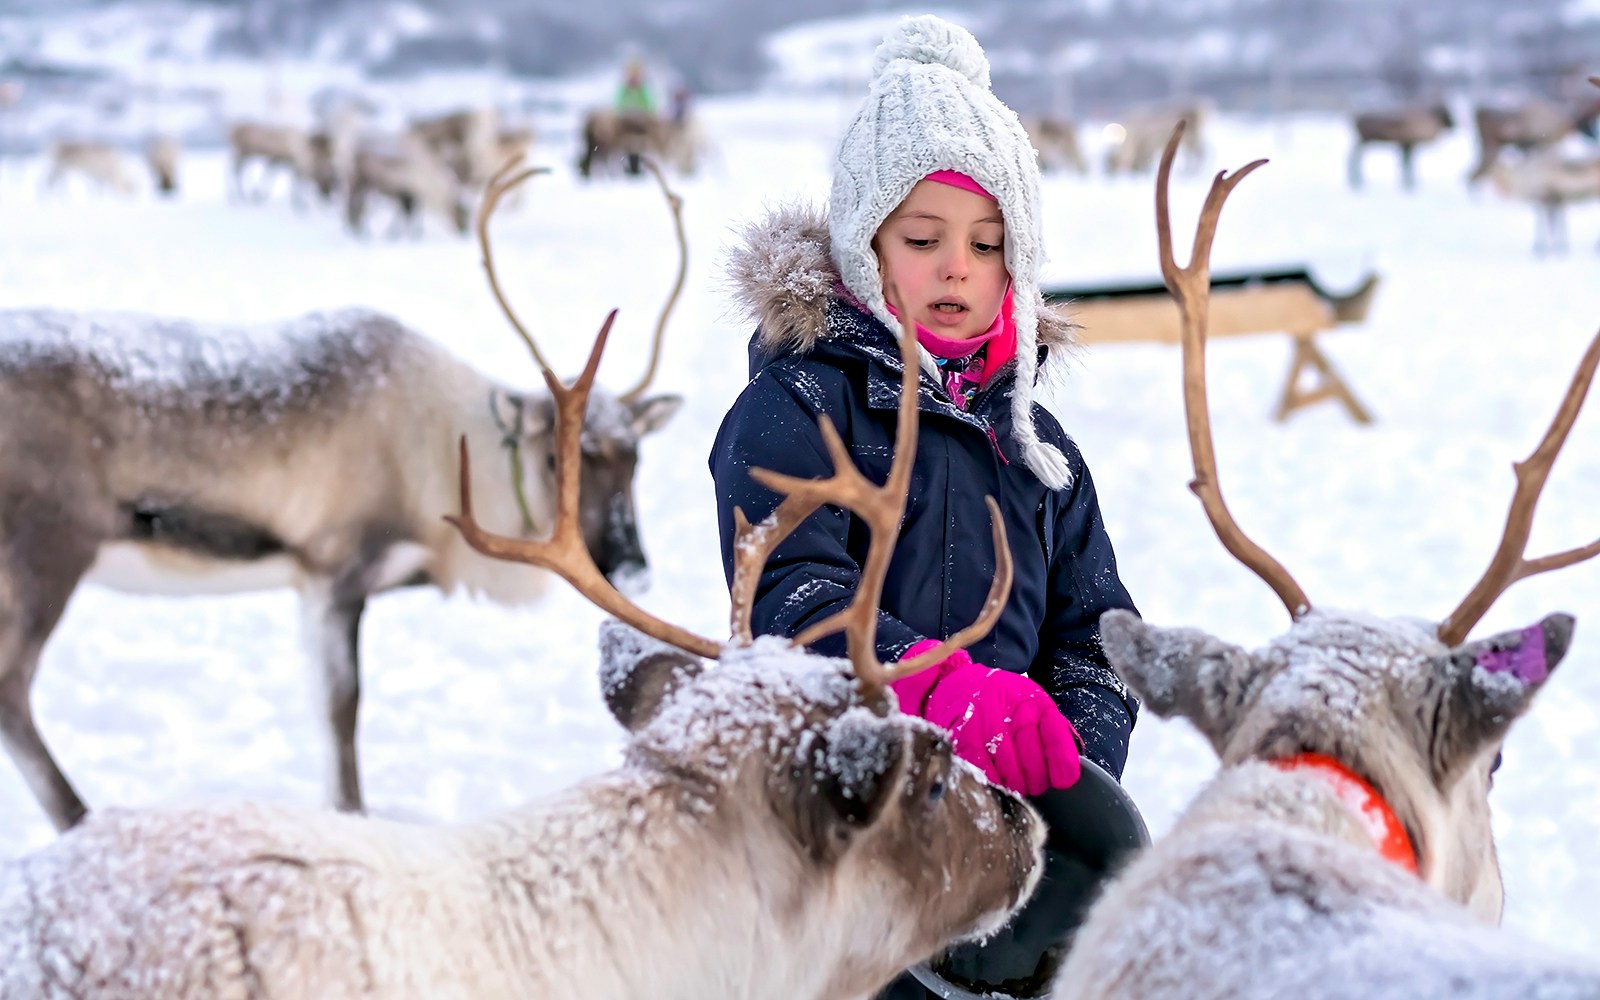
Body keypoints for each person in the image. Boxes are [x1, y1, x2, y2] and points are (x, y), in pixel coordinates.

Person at [710, 20, 1139, 993]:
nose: (956, 266)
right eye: (923, 238)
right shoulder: (799, 409)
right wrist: (942, 696)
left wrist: (1064, 755)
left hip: (1006, 837)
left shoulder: (1039, 452)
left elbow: (1096, 628)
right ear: (865, 245)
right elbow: (787, 594)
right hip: (837, 827)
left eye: (988, 244)